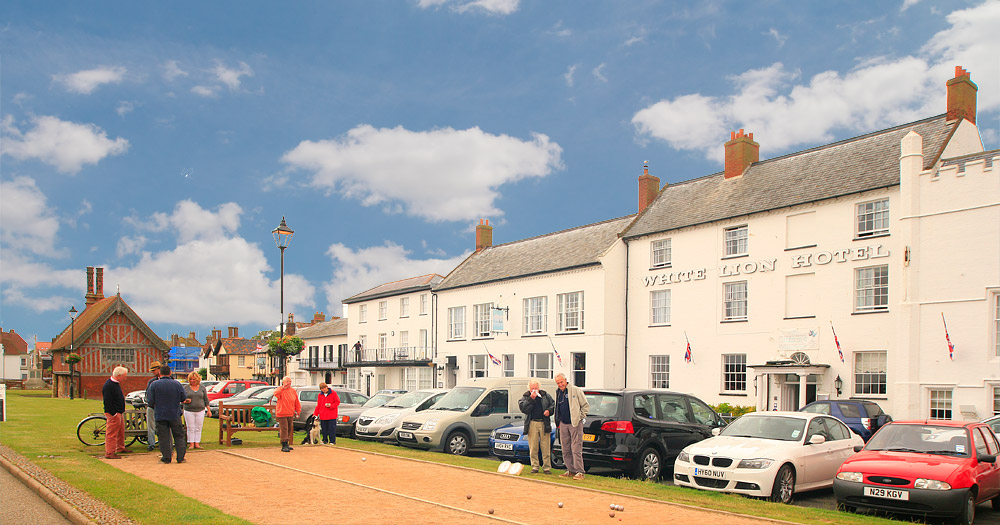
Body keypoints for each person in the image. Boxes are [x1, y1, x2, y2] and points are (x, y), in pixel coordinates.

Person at [147, 365, 187, 464]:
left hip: (160, 414)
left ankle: (166, 458)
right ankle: (180, 457)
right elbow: (183, 398)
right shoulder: (177, 384)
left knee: (163, 437)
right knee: (179, 436)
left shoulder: (154, 384)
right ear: (170, 373)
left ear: (160, 373)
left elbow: (150, 400)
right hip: (174, 413)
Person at [554, 373, 590, 480]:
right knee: (565, 448)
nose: (560, 384)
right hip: (563, 423)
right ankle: (570, 470)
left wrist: (579, 417)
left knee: (576, 448)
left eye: (561, 382)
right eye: (558, 383)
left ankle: (580, 472)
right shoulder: (558, 392)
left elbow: (585, 405)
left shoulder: (575, 390)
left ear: (565, 380)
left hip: (575, 424)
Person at [518, 379, 555, 474]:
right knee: (533, 447)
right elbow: (524, 409)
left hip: (544, 423)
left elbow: (553, 405)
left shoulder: (545, 395)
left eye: (536, 388)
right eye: (532, 388)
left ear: (539, 388)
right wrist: (531, 399)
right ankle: (535, 467)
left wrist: (549, 411)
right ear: (529, 389)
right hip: (532, 423)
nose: (534, 390)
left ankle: (546, 467)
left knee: (545, 447)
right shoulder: (525, 397)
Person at [102, 366, 129, 459]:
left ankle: (120, 447)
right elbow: (107, 401)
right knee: (112, 433)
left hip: (119, 412)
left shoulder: (115, 384)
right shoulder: (109, 385)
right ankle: (110, 453)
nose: (125, 378)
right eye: (124, 376)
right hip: (114, 413)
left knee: (120, 432)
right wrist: (114, 414)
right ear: (119, 375)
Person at [183, 372, 210, 449]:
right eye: (191, 379)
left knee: (198, 427)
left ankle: (197, 443)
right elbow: (182, 399)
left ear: (197, 379)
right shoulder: (186, 388)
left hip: (200, 410)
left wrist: (208, 409)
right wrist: (185, 401)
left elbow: (206, 399)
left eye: (194, 379)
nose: (192, 381)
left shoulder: (202, 388)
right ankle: (191, 443)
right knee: (190, 427)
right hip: (189, 410)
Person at [274, 376, 301, 452]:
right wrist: (282, 387)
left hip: (290, 413)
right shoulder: (280, 390)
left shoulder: (292, 391)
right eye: (287, 381)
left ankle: (287, 443)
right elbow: (276, 394)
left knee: (289, 428)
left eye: (290, 381)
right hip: (281, 413)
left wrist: (298, 411)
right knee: (284, 429)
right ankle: (284, 444)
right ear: (283, 382)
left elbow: (296, 402)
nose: (289, 383)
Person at [144, 361, 161, 451]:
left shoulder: (169, 379)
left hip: (161, 407)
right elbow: (148, 394)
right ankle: (151, 444)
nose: (153, 372)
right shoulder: (151, 381)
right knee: (150, 426)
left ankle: (163, 442)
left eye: (154, 370)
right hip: (152, 406)